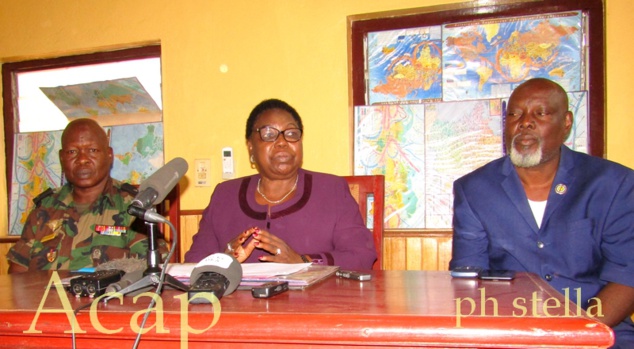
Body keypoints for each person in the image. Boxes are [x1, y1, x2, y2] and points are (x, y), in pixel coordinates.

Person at [450, 78, 634, 348]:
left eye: (541, 113)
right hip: (511, 332)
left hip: (599, 329)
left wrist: (573, 335)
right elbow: (468, 279)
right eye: (514, 114)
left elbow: (626, 276)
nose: (525, 122)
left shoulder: (613, 184)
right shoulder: (474, 189)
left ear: (566, 122)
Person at [185, 98, 376, 269]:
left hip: (312, 306)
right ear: (250, 146)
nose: (282, 142)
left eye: (291, 133)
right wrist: (224, 259)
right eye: (269, 134)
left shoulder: (332, 190)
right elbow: (194, 263)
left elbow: (361, 255)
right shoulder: (224, 196)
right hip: (239, 307)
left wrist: (303, 261)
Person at [7, 118, 153, 272]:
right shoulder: (44, 209)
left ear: (109, 155)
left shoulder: (135, 207)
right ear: (62, 158)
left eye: (92, 150)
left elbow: (151, 272)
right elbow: (17, 276)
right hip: (44, 295)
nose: (82, 159)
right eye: (72, 152)